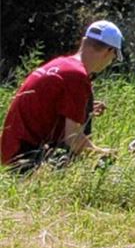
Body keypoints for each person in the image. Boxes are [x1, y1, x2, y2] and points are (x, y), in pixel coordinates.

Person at [1, 20, 123, 171]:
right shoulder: (77, 76)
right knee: (106, 166)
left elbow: (47, 106)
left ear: (85, 41)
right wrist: (106, 154)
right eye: (113, 57)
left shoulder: (61, 63)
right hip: (25, 156)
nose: (110, 62)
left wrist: (82, 107)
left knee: (88, 102)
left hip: (12, 148)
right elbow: (73, 140)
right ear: (109, 51)